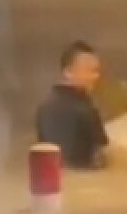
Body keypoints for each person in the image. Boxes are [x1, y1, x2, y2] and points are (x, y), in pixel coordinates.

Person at [36, 41, 109, 170]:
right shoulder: (86, 110)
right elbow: (102, 155)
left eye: (96, 71)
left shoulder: (43, 107)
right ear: (68, 72)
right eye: (90, 71)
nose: (96, 76)